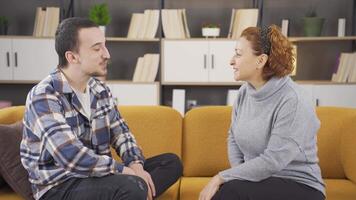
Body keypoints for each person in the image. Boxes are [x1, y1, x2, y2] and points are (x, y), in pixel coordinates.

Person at [20, 17, 182, 200]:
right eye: (97, 49)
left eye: (105, 46)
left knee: (171, 163)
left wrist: (136, 165)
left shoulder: (99, 90)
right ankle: (136, 191)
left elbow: (122, 134)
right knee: (132, 186)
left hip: (98, 175)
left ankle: (137, 192)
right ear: (72, 57)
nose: (107, 54)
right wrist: (123, 170)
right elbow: (71, 156)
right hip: (60, 185)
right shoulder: (44, 95)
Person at [199, 25, 325, 200]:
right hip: (261, 181)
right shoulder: (245, 92)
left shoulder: (293, 100)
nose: (231, 61)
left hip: (300, 186)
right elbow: (233, 137)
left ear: (260, 60)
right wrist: (237, 176)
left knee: (230, 191)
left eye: (238, 54)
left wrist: (222, 177)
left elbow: (274, 160)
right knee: (231, 189)